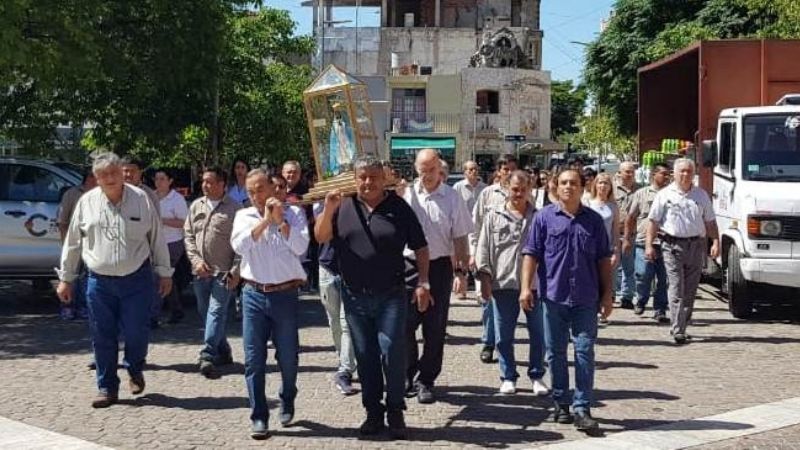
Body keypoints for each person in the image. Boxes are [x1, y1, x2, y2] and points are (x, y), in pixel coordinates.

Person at [315, 156, 430, 439]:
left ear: (384, 179)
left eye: (374, 177)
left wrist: (423, 281)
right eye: (363, 177)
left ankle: (395, 409)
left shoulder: (398, 207)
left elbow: (421, 246)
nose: (368, 183)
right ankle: (373, 412)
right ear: (355, 179)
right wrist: (328, 208)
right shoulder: (343, 206)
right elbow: (321, 237)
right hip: (354, 295)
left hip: (391, 294)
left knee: (392, 352)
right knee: (365, 355)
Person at [56, 153, 172, 408]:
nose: (110, 178)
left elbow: (156, 237)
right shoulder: (86, 203)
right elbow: (73, 242)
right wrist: (66, 278)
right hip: (99, 282)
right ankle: (107, 387)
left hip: (137, 279)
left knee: (137, 331)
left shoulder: (141, 199)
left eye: (114, 173)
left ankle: (134, 367)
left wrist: (165, 272)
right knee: (102, 335)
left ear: (122, 173)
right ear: (96, 178)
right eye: (103, 174)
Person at [519, 168, 613, 433]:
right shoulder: (544, 218)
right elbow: (531, 254)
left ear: (583, 187)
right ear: (556, 187)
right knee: (555, 352)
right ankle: (561, 403)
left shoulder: (594, 221)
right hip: (553, 296)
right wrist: (526, 288)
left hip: (586, 297)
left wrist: (608, 294)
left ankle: (582, 408)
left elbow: (603, 259)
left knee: (584, 351)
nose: (568, 187)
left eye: (573, 183)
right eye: (563, 183)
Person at [231, 169, 309, 439]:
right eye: (251, 192)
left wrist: (280, 222)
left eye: (260, 190)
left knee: (288, 357)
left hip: (285, 294)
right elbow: (239, 246)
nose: (256, 196)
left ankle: (288, 394)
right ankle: (259, 416)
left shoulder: (294, 213)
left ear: (273, 188)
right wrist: (265, 221)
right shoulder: (243, 216)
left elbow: (301, 247)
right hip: (253, 293)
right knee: (253, 359)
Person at [404, 149, 472, 404]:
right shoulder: (406, 194)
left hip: (439, 266)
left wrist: (461, 272)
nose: (428, 175)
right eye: (423, 170)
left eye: (432, 170)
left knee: (435, 327)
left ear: (440, 169)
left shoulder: (452, 197)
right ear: (416, 169)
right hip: (408, 266)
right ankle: (407, 373)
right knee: (404, 324)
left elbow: (460, 237)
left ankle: (426, 379)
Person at [475, 170, 549, 397]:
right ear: (507, 188)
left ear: (530, 190)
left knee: (538, 333)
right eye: (515, 189)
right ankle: (508, 376)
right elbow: (484, 248)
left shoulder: (539, 217)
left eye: (523, 190)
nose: (518, 194)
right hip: (503, 282)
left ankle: (537, 375)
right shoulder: (493, 216)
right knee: (503, 335)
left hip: (534, 285)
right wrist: (484, 278)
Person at [646, 158, 719, 345]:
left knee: (690, 289)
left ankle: (681, 323)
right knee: (676, 287)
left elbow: (710, 221)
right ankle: (678, 328)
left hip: (696, 245)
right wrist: (648, 245)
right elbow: (653, 221)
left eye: (689, 171)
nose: (685, 174)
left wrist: (716, 242)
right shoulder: (664, 194)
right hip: (672, 245)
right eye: (682, 171)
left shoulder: (701, 195)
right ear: (675, 174)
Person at [184, 167, 241, 378]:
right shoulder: (196, 206)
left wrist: (235, 270)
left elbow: (241, 244)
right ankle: (223, 350)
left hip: (223, 273)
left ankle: (207, 354)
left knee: (216, 311)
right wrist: (196, 261)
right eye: (203, 181)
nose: (205, 185)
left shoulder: (235, 209)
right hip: (200, 272)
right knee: (205, 311)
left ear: (221, 184)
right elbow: (188, 236)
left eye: (209, 182)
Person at [470, 154, 517, 364]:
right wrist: (474, 253)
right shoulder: (488, 194)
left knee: (511, 305)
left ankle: (505, 344)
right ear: (499, 171)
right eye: (505, 169)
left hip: (513, 258)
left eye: (512, 169)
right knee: (488, 302)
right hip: (489, 256)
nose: (509, 173)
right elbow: (476, 225)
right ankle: (488, 343)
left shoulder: (523, 193)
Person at [623, 162, 671, 323]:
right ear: (653, 175)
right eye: (663, 173)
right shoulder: (642, 193)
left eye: (668, 174)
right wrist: (627, 238)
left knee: (664, 279)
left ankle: (660, 309)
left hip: (665, 242)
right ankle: (641, 299)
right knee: (643, 275)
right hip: (643, 242)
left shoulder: (672, 194)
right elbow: (631, 217)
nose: (666, 177)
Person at [121, 157, 164, 329]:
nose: (128, 174)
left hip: (143, 251)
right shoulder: (113, 192)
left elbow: (155, 226)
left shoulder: (148, 195)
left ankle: (150, 316)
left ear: (140, 173)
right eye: (125, 170)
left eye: (132, 171)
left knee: (147, 286)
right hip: (120, 252)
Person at [56, 169, 97, 320]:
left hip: (93, 244)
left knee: (87, 278)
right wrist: (65, 243)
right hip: (74, 241)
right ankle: (67, 307)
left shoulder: (101, 194)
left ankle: (83, 307)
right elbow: (63, 221)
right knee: (70, 276)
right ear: (89, 177)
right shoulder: (72, 194)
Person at [154, 169, 189, 324]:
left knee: (162, 274)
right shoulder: (151, 196)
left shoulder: (177, 199)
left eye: (162, 179)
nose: (159, 182)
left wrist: (163, 221)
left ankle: (156, 313)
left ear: (170, 181)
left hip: (172, 242)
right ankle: (175, 309)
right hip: (155, 242)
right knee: (164, 276)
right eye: (157, 179)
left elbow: (184, 223)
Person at [452, 160, 486, 299]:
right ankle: (462, 288)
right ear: (465, 172)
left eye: (475, 169)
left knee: (478, 257)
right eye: (470, 169)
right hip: (463, 228)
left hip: (479, 228)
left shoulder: (484, 188)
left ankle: (480, 291)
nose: (474, 171)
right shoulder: (458, 187)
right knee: (463, 259)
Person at [614, 161, 640, 309]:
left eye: (632, 172)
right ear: (620, 173)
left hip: (631, 234)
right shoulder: (612, 189)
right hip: (614, 233)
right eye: (627, 171)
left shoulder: (640, 190)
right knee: (612, 267)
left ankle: (627, 297)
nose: (630, 174)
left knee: (629, 267)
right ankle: (611, 294)